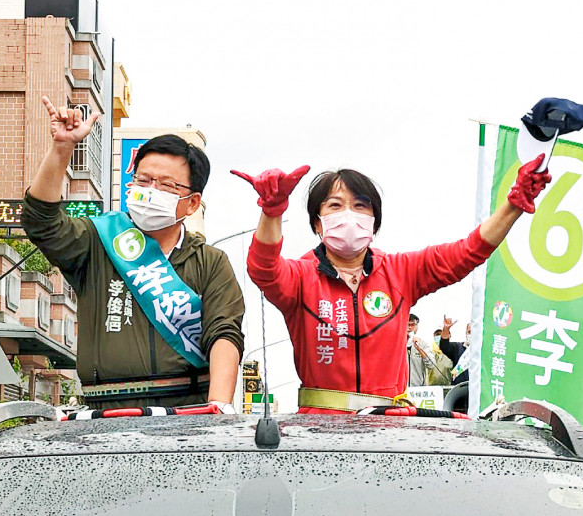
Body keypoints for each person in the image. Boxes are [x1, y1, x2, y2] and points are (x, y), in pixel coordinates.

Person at [233, 154, 551, 414]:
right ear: (317, 222)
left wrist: (514, 204)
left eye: (360, 206)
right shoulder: (301, 277)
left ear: (374, 220)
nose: (349, 214)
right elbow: (263, 269)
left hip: (390, 433)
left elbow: (468, 252)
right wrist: (271, 211)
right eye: (334, 205)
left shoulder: (400, 271)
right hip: (318, 433)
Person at [21, 97, 245, 412]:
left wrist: (218, 408)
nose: (150, 190)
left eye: (166, 185)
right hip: (104, 416)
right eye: (143, 180)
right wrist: (61, 149)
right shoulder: (98, 240)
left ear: (192, 203)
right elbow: (41, 223)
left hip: (185, 415)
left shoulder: (210, 262)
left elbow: (224, 332)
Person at [406, 314, 451, 387]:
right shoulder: (396, 344)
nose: (410, 327)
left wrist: (420, 349)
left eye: (413, 325)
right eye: (407, 324)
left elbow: (431, 365)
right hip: (400, 389)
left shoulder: (423, 344)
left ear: (417, 326)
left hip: (418, 389)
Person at [439, 316, 470, 385]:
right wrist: (446, 329)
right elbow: (444, 346)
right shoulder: (458, 348)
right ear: (466, 332)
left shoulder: (485, 350)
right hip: (460, 390)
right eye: (470, 332)